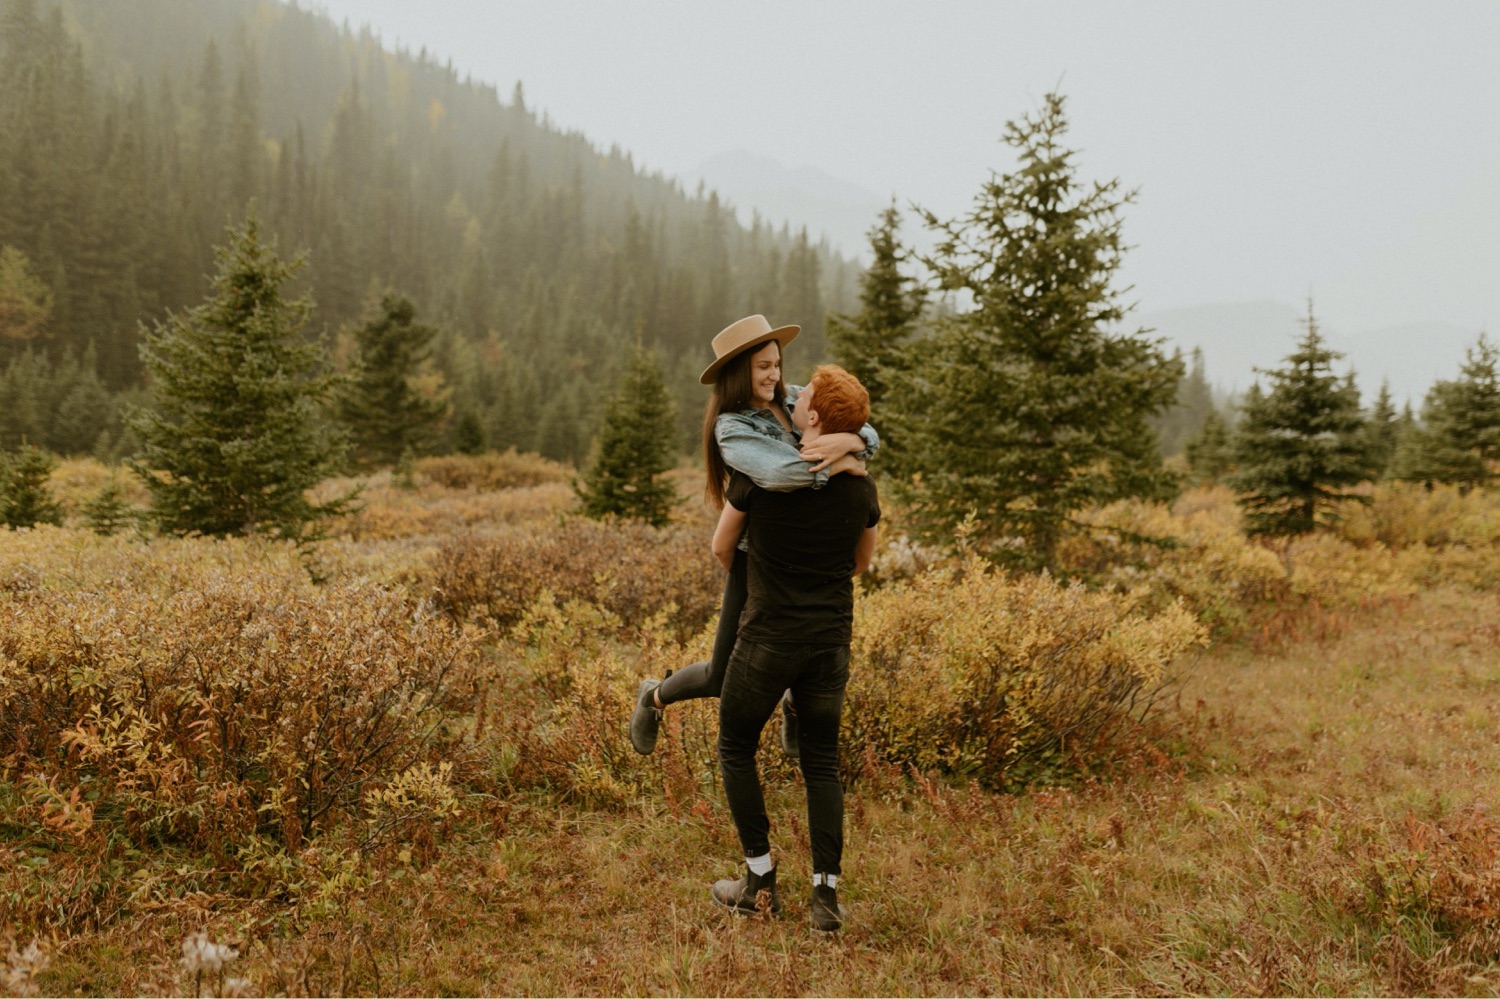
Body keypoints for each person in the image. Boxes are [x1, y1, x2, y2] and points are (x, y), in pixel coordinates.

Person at [628, 315, 878, 756]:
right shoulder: (733, 428)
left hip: (807, 550)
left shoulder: (799, 398)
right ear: (738, 371)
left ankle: (795, 708)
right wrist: (846, 462)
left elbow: (867, 429)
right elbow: (780, 474)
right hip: (755, 557)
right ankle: (654, 695)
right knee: (721, 677)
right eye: (762, 367)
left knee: (810, 645)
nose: (775, 375)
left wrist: (851, 444)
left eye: (776, 364)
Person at [706, 363, 879, 932]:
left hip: (769, 637)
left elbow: (722, 547)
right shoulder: (860, 486)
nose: (794, 394)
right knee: (822, 763)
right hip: (829, 640)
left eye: (806, 398)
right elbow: (861, 562)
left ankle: (758, 883)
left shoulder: (758, 477)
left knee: (735, 746)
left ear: (815, 419)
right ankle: (825, 899)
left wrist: (761, 584)